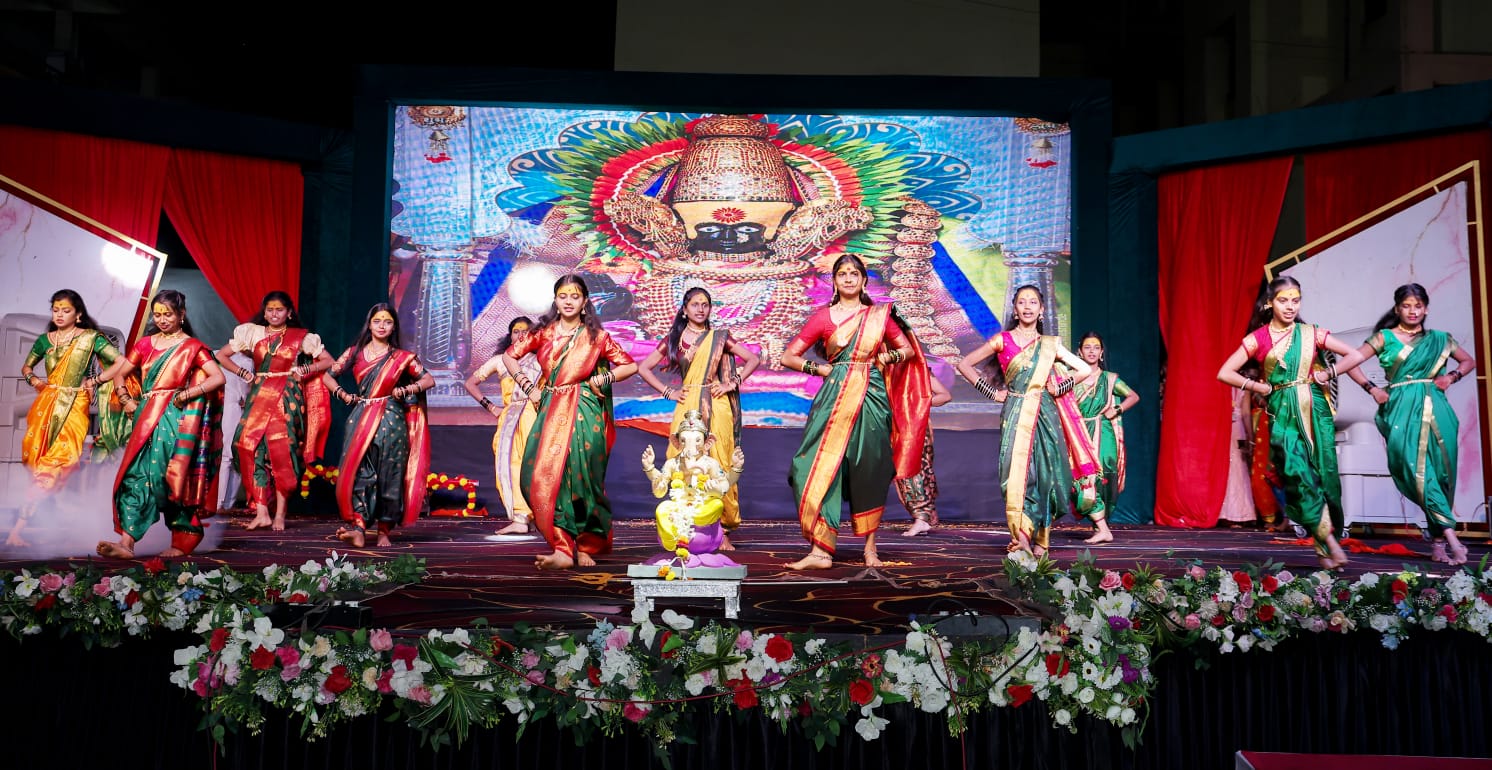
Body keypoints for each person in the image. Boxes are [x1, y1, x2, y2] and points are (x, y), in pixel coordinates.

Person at [779, 254, 930, 570]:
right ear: (834, 282)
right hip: (833, 397)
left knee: (869, 469)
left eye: (854, 274)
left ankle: (870, 550)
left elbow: (907, 350)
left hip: (871, 396)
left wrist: (887, 359)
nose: (848, 278)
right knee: (814, 465)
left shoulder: (878, 316)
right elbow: (788, 356)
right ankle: (820, 551)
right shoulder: (823, 317)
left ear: (863, 280)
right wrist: (819, 369)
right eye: (842, 274)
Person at [1216, 275, 1371, 570]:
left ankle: (1323, 548)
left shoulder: (1311, 333)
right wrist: (1259, 387)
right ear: (1269, 303)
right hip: (1283, 414)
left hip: (1316, 412)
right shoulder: (1258, 338)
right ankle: (1330, 543)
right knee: (1299, 477)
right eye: (1283, 301)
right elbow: (1225, 372)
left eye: (1295, 301)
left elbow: (1354, 354)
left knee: (1325, 478)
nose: (1290, 307)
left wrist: (1328, 373)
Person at [956, 286, 1111, 557]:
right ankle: (1022, 536)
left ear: (1041, 310)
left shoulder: (1050, 344)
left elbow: (1084, 369)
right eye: (1021, 302)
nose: (1027, 306)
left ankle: (1041, 537)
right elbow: (964, 364)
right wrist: (992, 393)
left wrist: (1060, 387)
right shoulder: (1002, 340)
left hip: (1045, 413)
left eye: (1033, 302)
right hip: (1016, 412)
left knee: (1046, 475)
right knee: (1016, 475)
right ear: (1015, 310)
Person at [500, 275, 638, 570]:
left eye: (575, 296)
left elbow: (630, 365)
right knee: (543, 476)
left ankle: (583, 545)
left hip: (585, 410)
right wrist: (528, 386)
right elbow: (510, 357)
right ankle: (563, 545)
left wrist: (602, 378)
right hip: (551, 408)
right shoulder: (543, 334)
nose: (568, 301)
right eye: (563, 296)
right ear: (555, 300)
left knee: (583, 477)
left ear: (584, 301)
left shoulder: (597, 337)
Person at [1344, 283, 1477, 566]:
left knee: (1441, 475)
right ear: (1397, 309)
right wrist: (1371, 388)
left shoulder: (1440, 339)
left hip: (1437, 409)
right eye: (1406, 306)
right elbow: (1351, 361)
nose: (1413, 311)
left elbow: (1468, 361)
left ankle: (1439, 543)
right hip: (1401, 410)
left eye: (1418, 306)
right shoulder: (1384, 338)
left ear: (1426, 309)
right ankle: (1453, 539)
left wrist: (1451, 377)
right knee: (1417, 472)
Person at [96, 290, 226, 559]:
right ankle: (126, 543)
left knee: (168, 477)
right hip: (145, 415)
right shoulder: (145, 344)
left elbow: (217, 377)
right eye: (157, 315)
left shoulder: (192, 347)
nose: (162, 319)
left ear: (181, 315)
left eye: (168, 314)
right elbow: (120, 374)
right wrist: (126, 399)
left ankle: (183, 539)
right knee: (135, 475)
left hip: (174, 418)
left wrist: (187, 394)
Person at [635, 287, 761, 549]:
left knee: (720, 460)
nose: (700, 309)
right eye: (695, 304)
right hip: (688, 402)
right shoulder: (674, 339)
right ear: (684, 309)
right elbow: (643, 368)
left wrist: (731, 383)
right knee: (684, 461)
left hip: (717, 404)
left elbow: (752, 359)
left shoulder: (719, 338)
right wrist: (668, 392)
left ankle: (722, 530)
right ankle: (688, 524)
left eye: (705, 304)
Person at [7, 290, 127, 547]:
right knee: (39, 463)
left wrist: (95, 381)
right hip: (47, 404)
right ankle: (60, 517)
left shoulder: (90, 338)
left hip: (75, 403)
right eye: (56, 310)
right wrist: (34, 380)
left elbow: (120, 362)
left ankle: (17, 529)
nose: (59, 315)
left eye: (66, 310)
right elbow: (27, 367)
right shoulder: (45, 340)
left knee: (56, 463)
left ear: (78, 314)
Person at [215, 291, 335, 532]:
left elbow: (327, 360)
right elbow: (221, 355)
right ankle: (262, 512)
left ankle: (280, 514)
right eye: (270, 309)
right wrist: (243, 373)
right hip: (259, 395)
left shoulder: (301, 337)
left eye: (279, 309)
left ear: (289, 313)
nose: (274, 314)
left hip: (287, 397)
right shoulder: (253, 333)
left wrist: (306, 370)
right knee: (248, 447)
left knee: (283, 453)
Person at [321, 304, 434, 548]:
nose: (382, 326)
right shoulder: (354, 353)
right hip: (361, 418)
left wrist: (408, 389)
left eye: (388, 322)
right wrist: (343, 394)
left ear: (394, 327)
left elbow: (428, 379)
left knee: (389, 474)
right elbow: (328, 376)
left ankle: (384, 530)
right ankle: (359, 527)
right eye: (377, 321)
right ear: (369, 324)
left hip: (391, 420)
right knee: (361, 472)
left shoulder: (402, 358)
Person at [464, 316, 541, 536]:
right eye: (516, 331)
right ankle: (520, 517)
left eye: (526, 331)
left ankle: (540, 514)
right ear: (510, 335)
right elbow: (470, 383)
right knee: (509, 464)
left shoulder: (541, 359)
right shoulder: (500, 360)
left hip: (536, 416)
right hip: (510, 418)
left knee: (536, 465)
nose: (521, 335)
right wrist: (491, 407)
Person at [640, 409, 745, 568]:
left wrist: (734, 469)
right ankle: (672, 541)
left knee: (717, 504)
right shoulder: (673, 464)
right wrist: (650, 469)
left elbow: (725, 484)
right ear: (676, 442)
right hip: (679, 507)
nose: (690, 446)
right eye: (684, 441)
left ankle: (693, 535)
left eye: (697, 441)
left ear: (707, 442)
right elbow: (660, 491)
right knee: (662, 508)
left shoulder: (710, 463)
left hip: (702, 505)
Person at [1072, 332, 1139, 528]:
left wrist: (1116, 409)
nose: (1092, 351)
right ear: (1080, 352)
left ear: (1101, 353)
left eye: (1096, 348)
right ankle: (1096, 519)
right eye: (1087, 347)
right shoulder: (1072, 378)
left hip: (1104, 432)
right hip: (1079, 432)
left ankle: (1101, 525)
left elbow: (1133, 396)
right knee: (1080, 477)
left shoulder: (1109, 379)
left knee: (1105, 473)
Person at [897, 374, 950, 537]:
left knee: (913, 469)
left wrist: (919, 403)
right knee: (900, 473)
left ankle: (922, 518)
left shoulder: (920, 371)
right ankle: (924, 516)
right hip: (895, 425)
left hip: (915, 425)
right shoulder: (886, 370)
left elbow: (945, 395)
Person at [1217, 382, 1258, 526]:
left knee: (1232, 467)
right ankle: (1237, 513)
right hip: (1235, 430)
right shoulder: (1243, 385)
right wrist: (1251, 438)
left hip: (1226, 429)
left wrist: (1250, 438)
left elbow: (1246, 413)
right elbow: (1246, 414)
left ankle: (1226, 513)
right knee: (1238, 468)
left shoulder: (1221, 383)